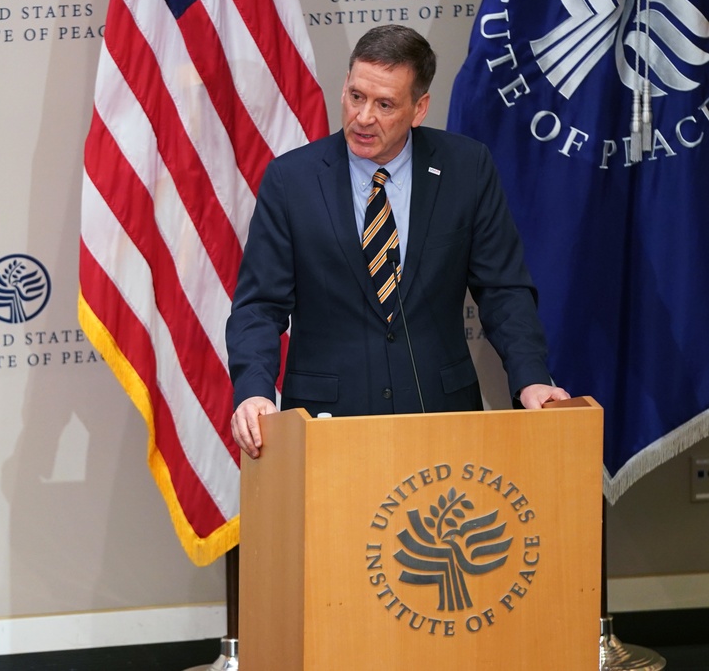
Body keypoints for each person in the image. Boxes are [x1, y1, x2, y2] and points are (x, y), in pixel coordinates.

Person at [226, 25, 569, 459]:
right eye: (356, 96)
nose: (363, 117)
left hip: (441, 417)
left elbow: (503, 291)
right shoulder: (291, 180)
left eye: (384, 104)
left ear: (419, 108)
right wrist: (253, 390)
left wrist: (531, 376)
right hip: (328, 426)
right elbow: (260, 306)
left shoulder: (467, 169)